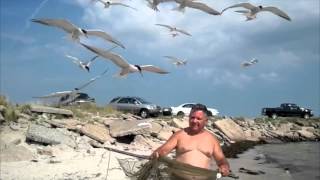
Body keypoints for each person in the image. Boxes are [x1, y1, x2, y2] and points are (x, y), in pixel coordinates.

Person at [151, 103, 230, 177]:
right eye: (192, 117)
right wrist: (156, 154)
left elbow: (221, 159)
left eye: (198, 118)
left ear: (206, 121)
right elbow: (163, 151)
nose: (194, 121)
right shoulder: (179, 135)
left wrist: (224, 166)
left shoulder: (212, 139)